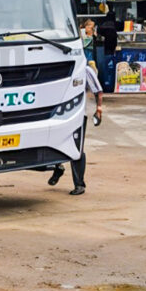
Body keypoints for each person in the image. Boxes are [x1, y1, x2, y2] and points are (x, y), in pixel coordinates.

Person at [48, 60, 103, 196]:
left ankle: (79, 184)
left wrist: (99, 110)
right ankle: (57, 167)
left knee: (77, 149)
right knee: (52, 145)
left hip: (77, 115)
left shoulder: (85, 70)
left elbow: (98, 91)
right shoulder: (58, 68)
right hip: (56, 115)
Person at [96, 10, 120, 91]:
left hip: (104, 49)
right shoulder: (114, 25)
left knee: (105, 68)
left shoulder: (103, 25)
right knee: (110, 68)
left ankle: (105, 85)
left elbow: (99, 33)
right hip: (112, 48)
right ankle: (110, 85)